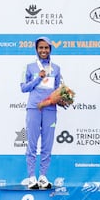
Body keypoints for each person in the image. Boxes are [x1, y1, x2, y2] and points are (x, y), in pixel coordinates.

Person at [20, 36, 61, 189]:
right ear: (36, 50)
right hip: (34, 108)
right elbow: (23, 88)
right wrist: (38, 78)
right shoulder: (29, 67)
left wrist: (63, 98)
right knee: (32, 143)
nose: (44, 51)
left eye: (46, 48)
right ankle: (31, 177)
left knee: (47, 144)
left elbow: (58, 90)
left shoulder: (56, 68)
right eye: (41, 48)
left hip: (50, 109)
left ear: (50, 49)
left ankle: (43, 176)